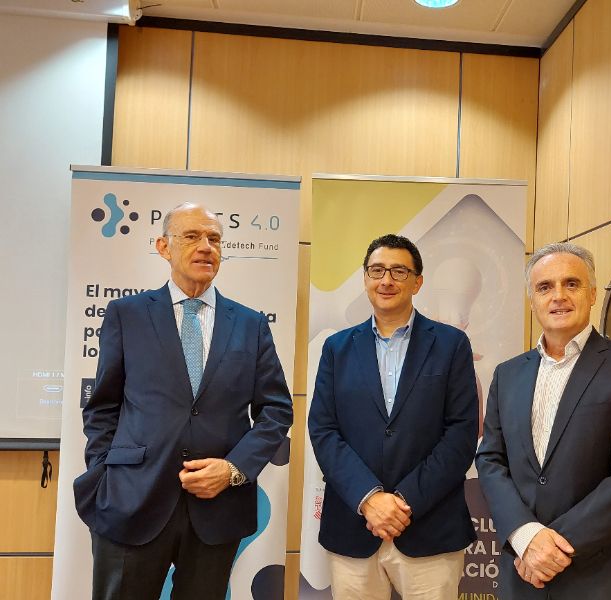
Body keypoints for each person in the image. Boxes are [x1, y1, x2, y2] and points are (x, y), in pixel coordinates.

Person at [73, 202, 293, 600]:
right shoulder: (126, 314)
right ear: (163, 247)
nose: (206, 246)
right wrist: (106, 475)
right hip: (131, 500)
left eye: (214, 239)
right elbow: (103, 406)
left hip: (217, 507)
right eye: (191, 236)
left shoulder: (251, 324)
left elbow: (276, 411)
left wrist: (233, 470)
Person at [476, 242, 611, 599]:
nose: (558, 296)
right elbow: (490, 460)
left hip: (603, 576)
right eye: (545, 287)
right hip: (524, 577)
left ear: (592, 294)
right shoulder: (508, 374)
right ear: (532, 300)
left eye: (571, 284)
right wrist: (526, 536)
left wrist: (551, 548)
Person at [308, 234, 479, 599]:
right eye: (377, 270)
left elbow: (461, 434)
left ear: (418, 282)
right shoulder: (337, 348)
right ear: (365, 278)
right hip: (354, 526)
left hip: (430, 527)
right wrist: (369, 499)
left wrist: (404, 502)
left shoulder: (451, 345)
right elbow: (323, 430)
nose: (386, 280)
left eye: (399, 271)